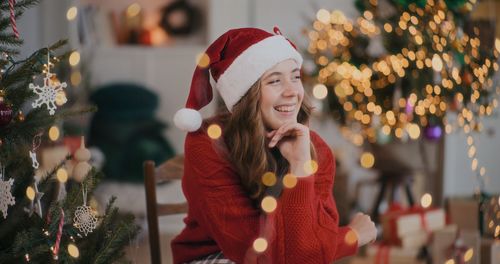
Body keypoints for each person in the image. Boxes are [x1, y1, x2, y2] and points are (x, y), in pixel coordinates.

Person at [171, 27, 377, 264]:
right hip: (215, 257)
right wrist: (351, 237)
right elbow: (258, 254)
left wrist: (299, 165)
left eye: (296, 77)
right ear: (246, 95)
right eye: (275, 80)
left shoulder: (313, 148)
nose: (292, 92)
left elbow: (307, 253)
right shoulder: (208, 143)